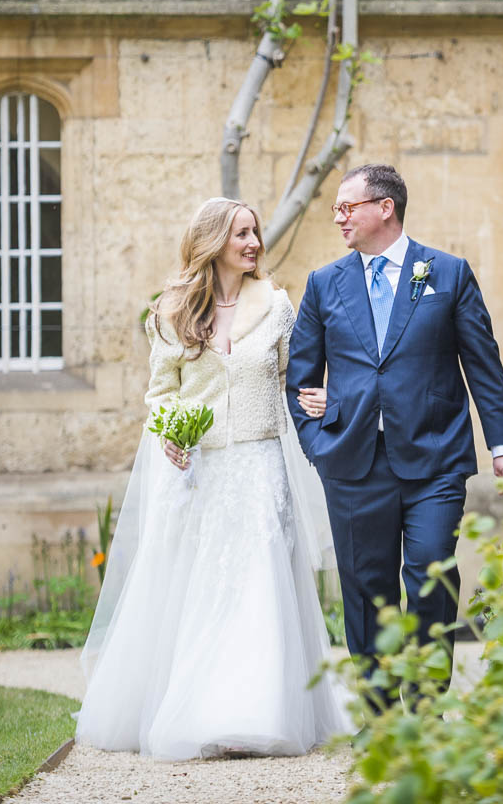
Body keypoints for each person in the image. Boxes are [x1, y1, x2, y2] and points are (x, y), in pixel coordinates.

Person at [77, 198, 351, 759]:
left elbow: (295, 378)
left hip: (261, 461)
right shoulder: (171, 312)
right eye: (240, 234)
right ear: (211, 242)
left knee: (261, 578)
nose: (253, 243)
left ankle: (258, 711)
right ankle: (196, 708)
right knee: (201, 583)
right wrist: (170, 434)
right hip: (201, 469)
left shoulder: (276, 306)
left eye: (254, 233)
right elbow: (160, 395)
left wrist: (323, 398)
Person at [287, 163, 503, 688]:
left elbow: (483, 364)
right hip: (351, 465)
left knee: (432, 577)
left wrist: (502, 445)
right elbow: (299, 381)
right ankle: (379, 714)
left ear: (384, 207)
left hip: (435, 459)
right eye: (336, 209)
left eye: (347, 207)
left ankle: (426, 707)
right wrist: (319, 448)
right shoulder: (324, 285)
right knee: (366, 591)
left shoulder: (447, 273)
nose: (338, 218)